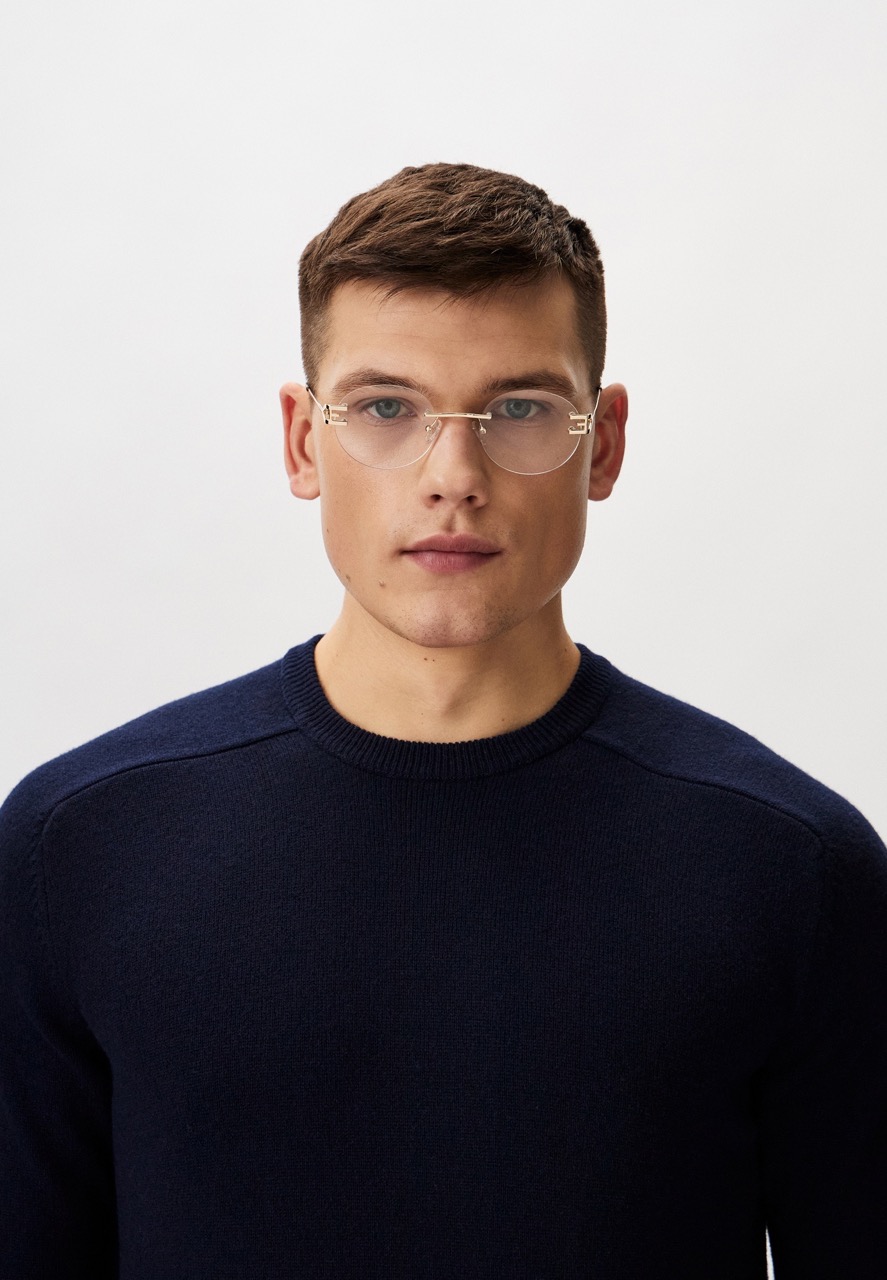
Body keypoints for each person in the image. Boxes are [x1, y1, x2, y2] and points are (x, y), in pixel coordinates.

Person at [1, 162, 885, 1280]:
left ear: (603, 442)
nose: (452, 476)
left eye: (519, 409)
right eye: (386, 408)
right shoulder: (79, 847)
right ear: (302, 440)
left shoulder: (791, 869)